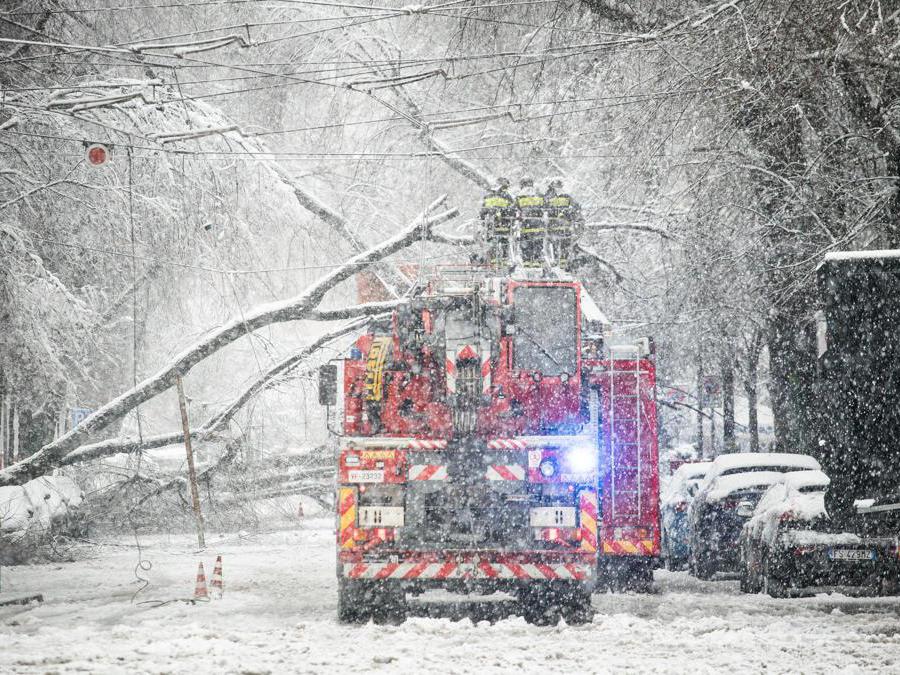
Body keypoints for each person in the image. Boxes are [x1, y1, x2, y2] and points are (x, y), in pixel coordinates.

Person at [543, 177, 582, 268]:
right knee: (564, 245)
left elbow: (543, 208)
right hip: (565, 227)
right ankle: (562, 264)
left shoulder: (548, 196)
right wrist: (567, 214)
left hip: (552, 226)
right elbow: (577, 207)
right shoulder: (566, 196)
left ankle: (556, 262)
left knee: (553, 245)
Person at [480, 177, 514, 266]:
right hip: (505, 225)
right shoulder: (507, 196)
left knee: (492, 243)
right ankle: (504, 260)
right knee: (504, 242)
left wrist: (484, 222)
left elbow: (482, 212)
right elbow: (512, 211)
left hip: (491, 226)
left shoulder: (488, 196)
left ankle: (494, 260)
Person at [515, 176, 546, 266]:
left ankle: (527, 261)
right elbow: (545, 208)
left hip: (526, 225)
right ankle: (536, 260)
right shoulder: (540, 195)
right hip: (538, 225)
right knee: (538, 244)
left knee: (526, 244)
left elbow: (515, 210)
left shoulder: (520, 196)